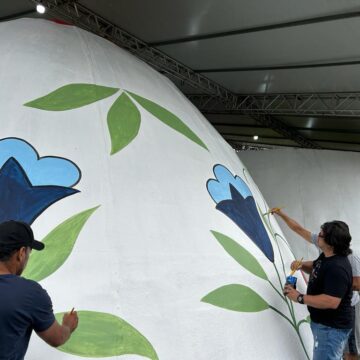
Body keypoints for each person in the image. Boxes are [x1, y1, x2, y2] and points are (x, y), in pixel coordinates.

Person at [271, 209, 354, 360]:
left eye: (321, 235)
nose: (318, 236)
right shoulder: (327, 256)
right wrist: (301, 265)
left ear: (332, 242)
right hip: (324, 325)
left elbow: (331, 301)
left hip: (331, 329)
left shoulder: (338, 268)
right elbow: (317, 266)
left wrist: (300, 297)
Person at [0, 220, 78, 359]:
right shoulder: (29, 293)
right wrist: (68, 326)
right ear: (22, 253)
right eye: (29, 254)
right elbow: (57, 338)